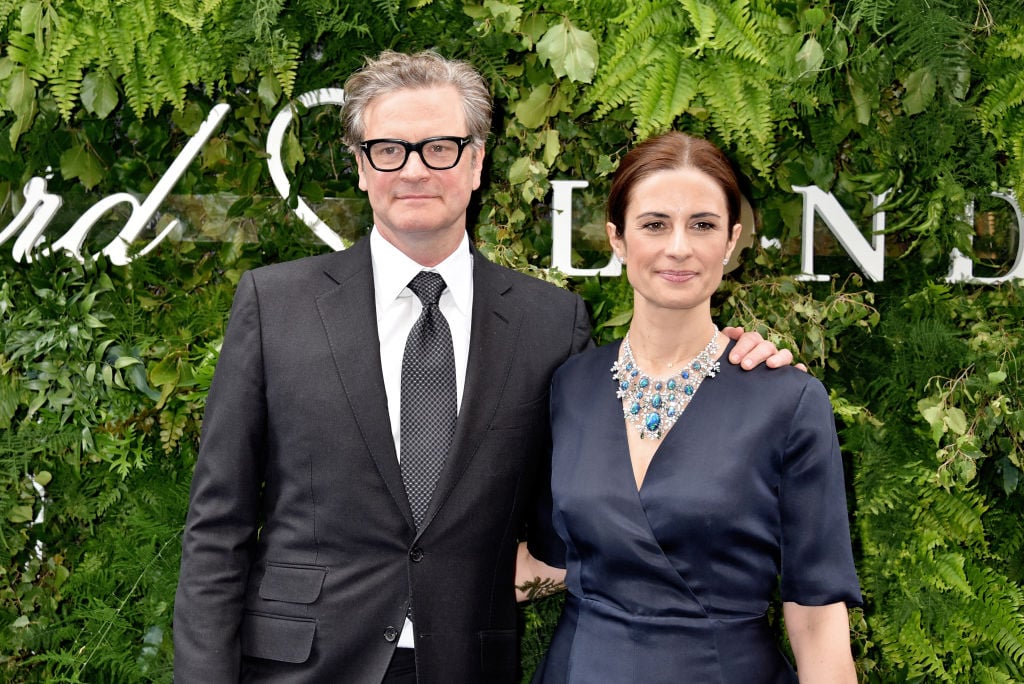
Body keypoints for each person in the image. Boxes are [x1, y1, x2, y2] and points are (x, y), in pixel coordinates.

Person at [172, 52, 792, 684]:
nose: (414, 170)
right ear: (361, 166)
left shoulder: (552, 324)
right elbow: (216, 526)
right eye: (389, 149)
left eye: (440, 147)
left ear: (476, 162)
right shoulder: (276, 305)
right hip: (298, 668)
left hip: (469, 664)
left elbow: (593, 499)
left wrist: (726, 369)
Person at [529, 131, 862, 683]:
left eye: (702, 225)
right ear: (617, 238)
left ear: (731, 241)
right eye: (654, 224)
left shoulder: (788, 400)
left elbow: (817, 615)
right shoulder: (571, 386)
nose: (678, 247)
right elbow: (546, 562)